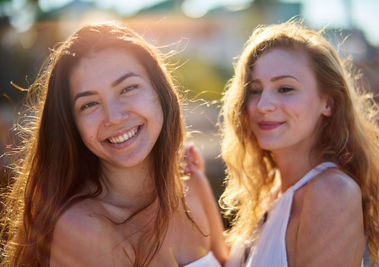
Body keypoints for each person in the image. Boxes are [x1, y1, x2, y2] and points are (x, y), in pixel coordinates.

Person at [0, 22, 228, 266]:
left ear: (159, 92)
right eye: (89, 104)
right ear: (72, 124)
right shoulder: (83, 228)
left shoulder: (191, 183)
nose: (114, 117)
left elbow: (228, 260)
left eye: (128, 88)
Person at [219, 20, 379, 266]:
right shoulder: (273, 191)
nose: (263, 105)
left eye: (284, 89)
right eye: (254, 90)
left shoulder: (331, 193)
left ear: (329, 103)